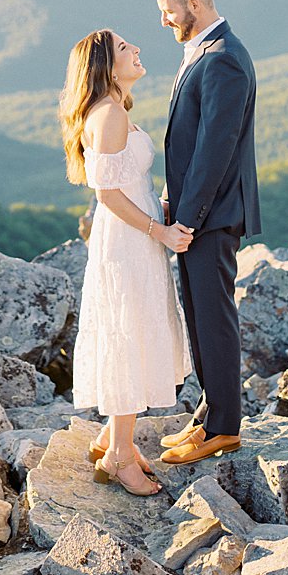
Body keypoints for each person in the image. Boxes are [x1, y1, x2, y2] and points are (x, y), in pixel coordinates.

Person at [58, 28, 194, 496]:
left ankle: (113, 439)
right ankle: (117, 456)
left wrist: (158, 208)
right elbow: (108, 194)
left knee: (132, 330)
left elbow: (126, 184)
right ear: (105, 66)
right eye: (123, 48)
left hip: (133, 237)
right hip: (127, 242)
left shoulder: (115, 111)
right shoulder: (110, 113)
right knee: (129, 332)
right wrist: (158, 229)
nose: (135, 48)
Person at [150, 0, 260, 464]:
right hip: (198, 211)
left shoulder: (224, 60)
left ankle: (224, 428)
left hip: (212, 217)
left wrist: (186, 219)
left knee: (214, 319)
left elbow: (216, 149)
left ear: (193, 4)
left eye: (169, 11)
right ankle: (209, 414)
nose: (165, 21)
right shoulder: (206, 52)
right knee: (199, 316)